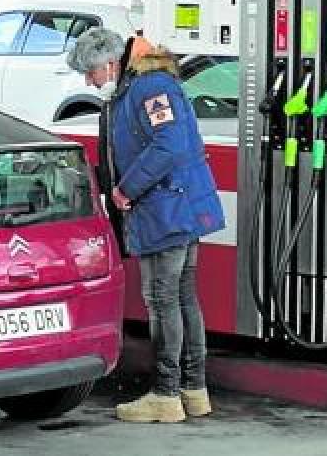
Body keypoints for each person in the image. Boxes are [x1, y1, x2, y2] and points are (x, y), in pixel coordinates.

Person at [67, 27, 225, 424]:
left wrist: (125, 189)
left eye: (90, 73)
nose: (89, 82)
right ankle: (193, 390)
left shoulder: (148, 86)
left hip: (166, 210)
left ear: (108, 63)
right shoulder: (143, 85)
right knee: (183, 298)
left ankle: (165, 394)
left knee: (163, 300)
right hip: (177, 207)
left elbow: (168, 144)